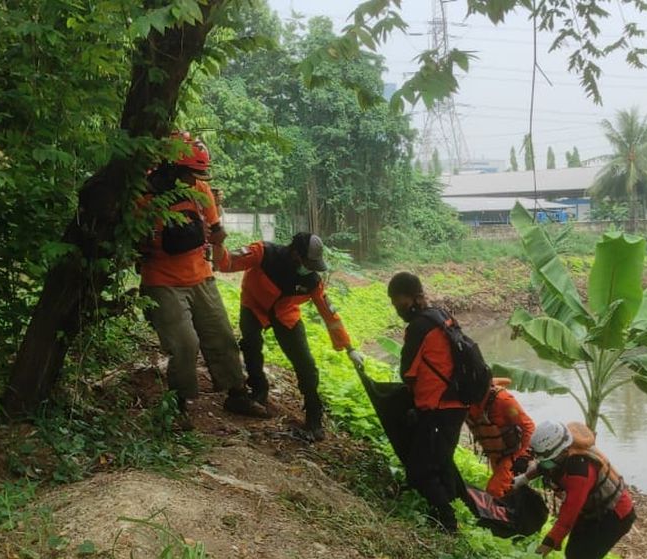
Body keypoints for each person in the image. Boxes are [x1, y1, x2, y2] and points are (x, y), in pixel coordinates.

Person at [137, 132, 268, 424]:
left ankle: (237, 394)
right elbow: (132, 239)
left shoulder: (200, 189)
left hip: (201, 275)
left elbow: (215, 229)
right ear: (170, 166)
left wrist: (220, 241)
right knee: (184, 343)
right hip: (162, 279)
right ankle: (179, 405)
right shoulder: (143, 193)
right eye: (189, 173)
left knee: (221, 335)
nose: (194, 180)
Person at [217, 233, 360, 441]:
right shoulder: (263, 252)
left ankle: (314, 417)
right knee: (250, 344)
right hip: (254, 304)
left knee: (305, 363)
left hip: (285, 314)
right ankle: (258, 391)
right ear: (295, 254)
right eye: (307, 262)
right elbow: (226, 263)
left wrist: (349, 348)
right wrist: (217, 242)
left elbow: (329, 314)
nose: (310, 268)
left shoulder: (312, 280)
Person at [387, 271, 467, 532]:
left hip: (437, 407)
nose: (397, 308)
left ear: (410, 298)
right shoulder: (443, 316)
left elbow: (407, 371)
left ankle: (447, 521)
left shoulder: (419, 328)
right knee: (442, 459)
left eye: (397, 301)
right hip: (457, 403)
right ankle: (453, 505)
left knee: (420, 470)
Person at [522, 420, 636, 559]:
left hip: (614, 515)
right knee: (573, 553)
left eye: (549, 459)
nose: (545, 463)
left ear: (561, 452)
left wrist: (540, 553)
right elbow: (544, 466)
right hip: (591, 508)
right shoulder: (565, 448)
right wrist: (523, 478)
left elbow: (567, 518)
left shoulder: (580, 473)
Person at [466, 377, 535, 497]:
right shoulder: (464, 400)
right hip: (495, 456)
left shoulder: (503, 400)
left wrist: (523, 456)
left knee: (495, 491)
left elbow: (528, 427)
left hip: (511, 455)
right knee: (509, 492)